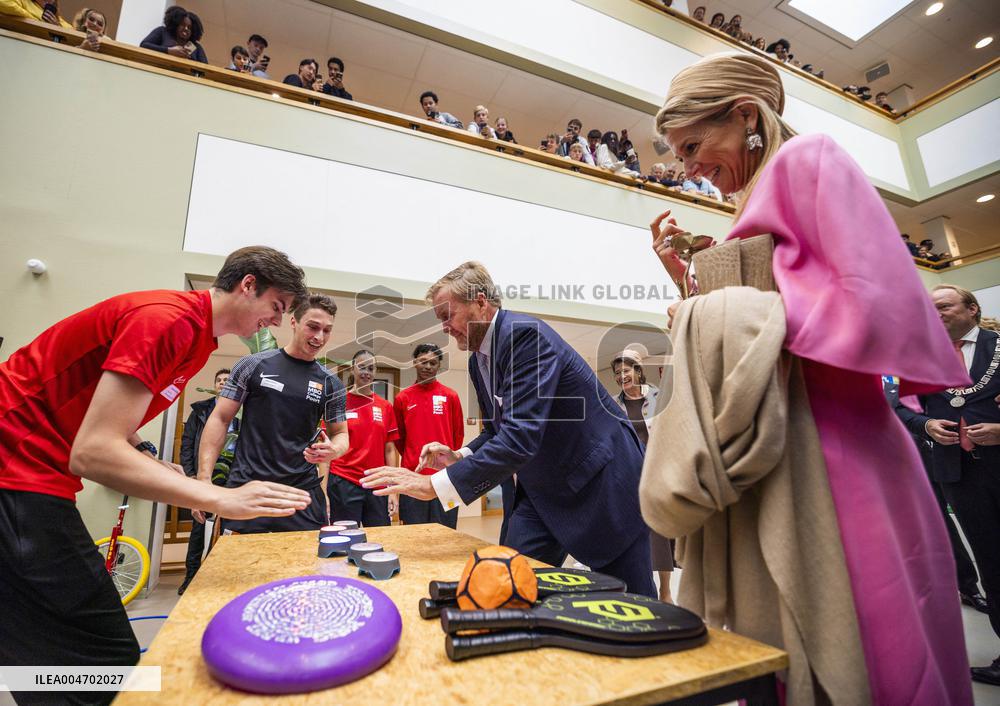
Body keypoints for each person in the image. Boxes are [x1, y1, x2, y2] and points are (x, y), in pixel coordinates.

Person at [644, 52, 973, 705]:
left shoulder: (808, 159)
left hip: (841, 457)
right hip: (791, 452)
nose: (687, 168)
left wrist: (704, 312)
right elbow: (772, 316)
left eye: (693, 146)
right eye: (677, 154)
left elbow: (864, 303)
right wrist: (688, 284)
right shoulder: (756, 196)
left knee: (867, 649)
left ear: (744, 117)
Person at [0, 247, 312, 698]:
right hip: (15, 471)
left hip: (31, 474)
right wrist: (218, 497)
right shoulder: (168, 320)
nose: (278, 322)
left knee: (40, 651)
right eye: (277, 307)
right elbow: (92, 452)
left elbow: (101, 418)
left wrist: (145, 453)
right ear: (248, 285)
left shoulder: (194, 338)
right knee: (103, 654)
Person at [364, 263, 655, 596]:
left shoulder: (524, 336)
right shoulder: (478, 361)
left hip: (602, 483)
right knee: (511, 583)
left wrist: (435, 485)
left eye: (448, 315)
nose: (444, 328)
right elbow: (497, 430)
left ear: (481, 302)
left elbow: (519, 437)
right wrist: (460, 454)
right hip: (541, 492)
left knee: (634, 602)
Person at [895, 285, 1000, 686]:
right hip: (957, 472)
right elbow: (896, 403)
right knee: (991, 561)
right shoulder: (917, 356)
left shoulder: (997, 345)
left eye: (944, 305)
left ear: (972, 309)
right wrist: (924, 425)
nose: (934, 313)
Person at [194, 293, 347, 534]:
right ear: (294, 322)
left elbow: (341, 435)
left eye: (327, 330)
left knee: (303, 569)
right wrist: (204, 479)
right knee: (239, 569)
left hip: (301, 493)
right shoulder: (252, 365)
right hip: (249, 488)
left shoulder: (331, 383)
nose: (319, 337)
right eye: (313, 327)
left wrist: (335, 449)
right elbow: (220, 418)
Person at [884, 376, 987, 614]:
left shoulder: (901, 362)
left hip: (916, 445)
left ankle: (968, 587)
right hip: (861, 452)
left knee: (938, 516)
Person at [611, 349, 674, 603]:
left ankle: (665, 591)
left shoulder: (659, 396)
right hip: (629, 473)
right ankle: (639, 585)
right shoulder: (614, 404)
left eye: (626, 371)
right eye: (618, 373)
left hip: (656, 471)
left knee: (660, 531)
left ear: (638, 371)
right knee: (633, 530)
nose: (621, 376)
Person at [177, 368, 238, 595]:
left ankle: (221, 577)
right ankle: (191, 577)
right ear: (214, 386)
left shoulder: (240, 411)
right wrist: (192, 476)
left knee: (227, 530)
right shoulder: (201, 411)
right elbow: (187, 445)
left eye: (227, 380)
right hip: (205, 476)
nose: (223, 383)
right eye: (219, 380)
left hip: (232, 477)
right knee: (198, 528)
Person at [391, 343, 465, 528]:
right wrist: (412, 456)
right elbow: (400, 439)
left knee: (446, 531)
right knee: (414, 532)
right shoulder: (403, 398)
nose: (428, 367)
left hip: (445, 477)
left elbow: (457, 435)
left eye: (433, 363)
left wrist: (445, 460)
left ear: (439, 365)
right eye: (423, 362)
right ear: (415, 362)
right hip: (412, 475)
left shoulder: (450, 396)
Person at [327, 350, 399, 527]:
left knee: (379, 538)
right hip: (344, 481)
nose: (366, 372)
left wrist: (393, 490)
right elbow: (327, 446)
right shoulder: (338, 402)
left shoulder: (385, 406)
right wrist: (323, 493)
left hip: (376, 483)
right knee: (344, 538)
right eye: (361, 367)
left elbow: (390, 449)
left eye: (371, 368)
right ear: (353, 369)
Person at [140, 5, 208, 63]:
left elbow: (206, 67)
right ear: (176, 24)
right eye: (182, 25)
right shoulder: (162, 32)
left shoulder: (195, 46)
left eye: (189, 27)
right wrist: (169, 50)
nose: (186, 28)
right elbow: (144, 45)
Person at [0, 0, 70, 27]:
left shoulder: (59, 21)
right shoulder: (24, 2)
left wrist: (58, 28)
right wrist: (39, 23)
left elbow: (74, 35)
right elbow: (3, 3)